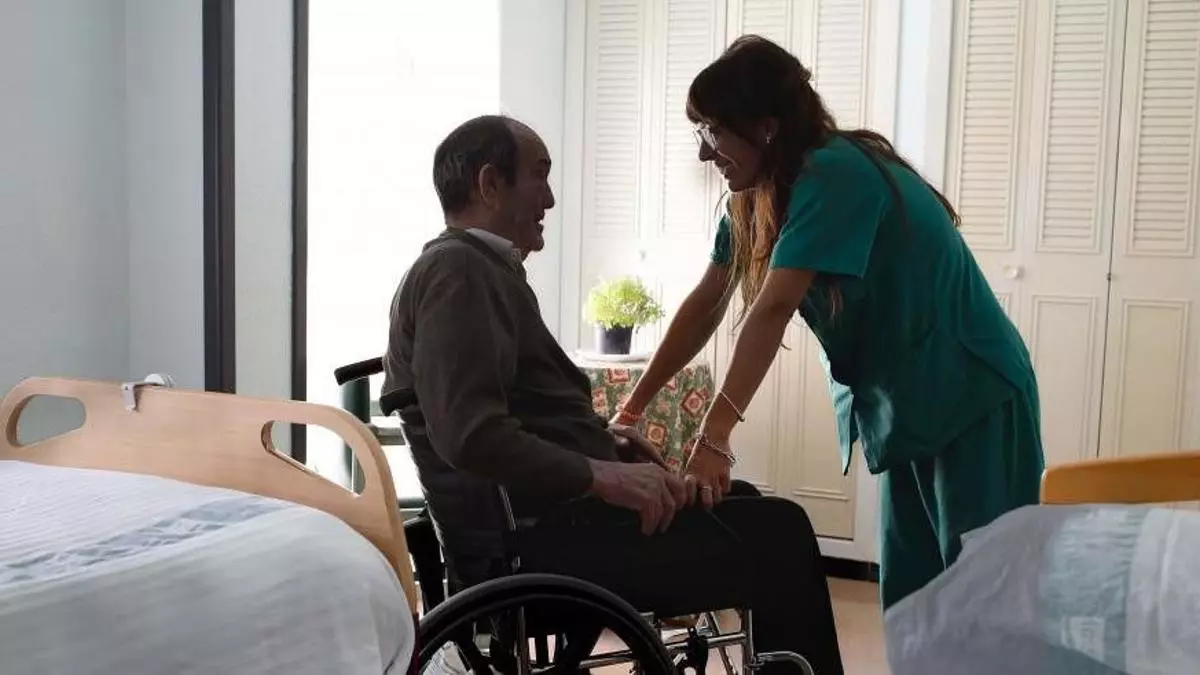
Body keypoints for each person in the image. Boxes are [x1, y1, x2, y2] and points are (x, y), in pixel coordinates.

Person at [381, 114, 844, 673]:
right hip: (536, 550)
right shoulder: (458, 273)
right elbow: (470, 434)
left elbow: (512, 415)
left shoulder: (477, 270)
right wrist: (602, 474)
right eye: (539, 174)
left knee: (743, 501)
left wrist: (605, 443)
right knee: (778, 532)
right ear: (490, 184)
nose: (550, 198)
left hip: (549, 529)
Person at [614, 35, 1046, 612]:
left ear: (766, 128)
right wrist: (630, 410)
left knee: (986, 596)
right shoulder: (757, 193)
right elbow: (707, 303)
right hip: (909, 403)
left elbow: (772, 307)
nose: (704, 154)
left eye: (713, 132)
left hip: (973, 391)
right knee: (916, 599)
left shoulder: (835, 173)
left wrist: (714, 436)